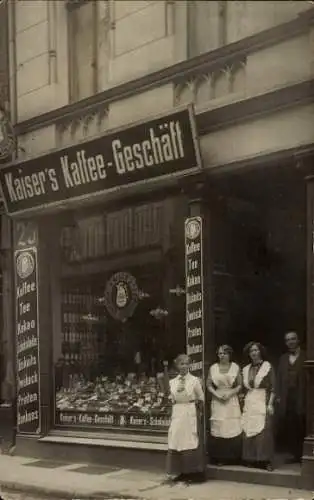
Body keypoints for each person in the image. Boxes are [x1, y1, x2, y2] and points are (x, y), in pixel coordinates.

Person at [164, 354, 206, 484]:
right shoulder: (173, 382)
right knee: (177, 439)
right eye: (181, 364)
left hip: (189, 411)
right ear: (177, 366)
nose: (184, 366)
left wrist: (198, 410)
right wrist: (171, 399)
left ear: (189, 366)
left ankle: (194, 473)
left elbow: (201, 397)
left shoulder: (194, 381)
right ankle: (180, 471)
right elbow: (171, 396)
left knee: (190, 440)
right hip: (178, 412)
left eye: (186, 364)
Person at [242, 342, 275, 471]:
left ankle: (265, 460)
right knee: (249, 427)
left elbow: (273, 387)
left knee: (264, 430)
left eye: (256, 350)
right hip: (250, 400)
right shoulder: (245, 369)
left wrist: (270, 404)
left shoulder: (268, 366)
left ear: (260, 351)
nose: (254, 353)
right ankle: (251, 459)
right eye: (251, 351)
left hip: (263, 399)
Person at [207, 345, 242, 465]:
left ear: (229, 355)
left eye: (224, 353)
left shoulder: (235, 367)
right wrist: (216, 394)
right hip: (218, 399)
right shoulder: (213, 368)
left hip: (231, 399)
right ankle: (219, 457)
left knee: (230, 425)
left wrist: (231, 393)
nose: (222, 355)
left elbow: (239, 385)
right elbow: (209, 385)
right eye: (220, 353)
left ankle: (233, 457)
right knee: (219, 426)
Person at [276, 331, 306, 463]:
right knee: (290, 425)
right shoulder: (283, 358)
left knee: (303, 424)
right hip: (287, 397)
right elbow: (278, 379)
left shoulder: (307, 355)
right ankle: (295, 454)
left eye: (293, 339)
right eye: (288, 340)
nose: (291, 342)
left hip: (302, 396)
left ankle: (305, 455)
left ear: (298, 340)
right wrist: (278, 396)